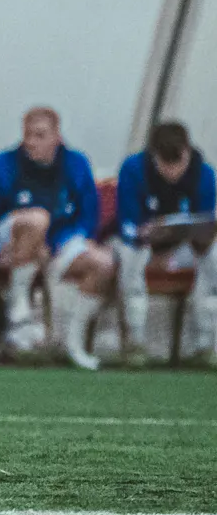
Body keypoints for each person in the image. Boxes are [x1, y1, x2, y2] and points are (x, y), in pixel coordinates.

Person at [0, 107, 114, 369]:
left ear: (57, 137)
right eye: (28, 135)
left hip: (57, 243)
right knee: (37, 219)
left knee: (103, 264)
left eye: (40, 135)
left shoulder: (76, 165)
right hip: (10, 243)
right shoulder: (3, 166)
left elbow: (88, 217)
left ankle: (72, 342)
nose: (31, 142)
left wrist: (53, 246)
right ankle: (18, 314)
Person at [113, 121, 217, 366]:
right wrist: (145, 235)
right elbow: (126, 222)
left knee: (213, 257)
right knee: (130, 257)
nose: (173, 171)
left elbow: (204, 222)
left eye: (178, 162)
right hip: (142, 247)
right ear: (154, 155)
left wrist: (197, 238)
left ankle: (205, 343)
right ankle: (135, 342)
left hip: (182, 248)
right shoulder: (133, 169)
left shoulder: (204, 173)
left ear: (187, 152)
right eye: (165, 164)